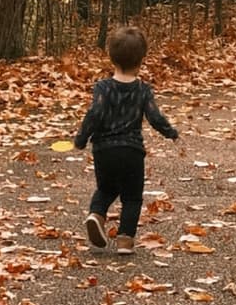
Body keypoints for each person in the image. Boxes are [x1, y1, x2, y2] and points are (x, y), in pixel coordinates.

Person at [73, 23, 179, 253]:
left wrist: (82, 138)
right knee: (132, 197)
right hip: (131, 151)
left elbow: (95, 114)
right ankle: (125, 240)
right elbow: (154, 116)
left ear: (111, 56)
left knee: (105, 189)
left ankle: (96, 216)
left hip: (104, 150)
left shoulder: (103, 88)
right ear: (141, 59)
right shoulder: (142, 90)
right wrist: (170, 132)